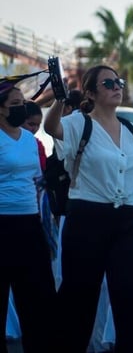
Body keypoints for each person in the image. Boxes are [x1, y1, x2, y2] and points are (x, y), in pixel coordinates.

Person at [44, 65, 133, 352]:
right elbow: (50, 128)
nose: (116, 86)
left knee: (132, 298)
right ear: (91, 93)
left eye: (118, 81)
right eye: (108, 83)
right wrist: (59, 98)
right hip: (86, 220)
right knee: (79, 300)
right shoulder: (77, 123)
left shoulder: (131, 130)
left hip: (126, 222)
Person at [0, 81, 57, 352]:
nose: (22, 108)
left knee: (37, 302)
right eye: (15, 105)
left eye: (22, 103)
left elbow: (36, 182)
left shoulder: (29, 141)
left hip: (30, 225)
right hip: (2, 225)